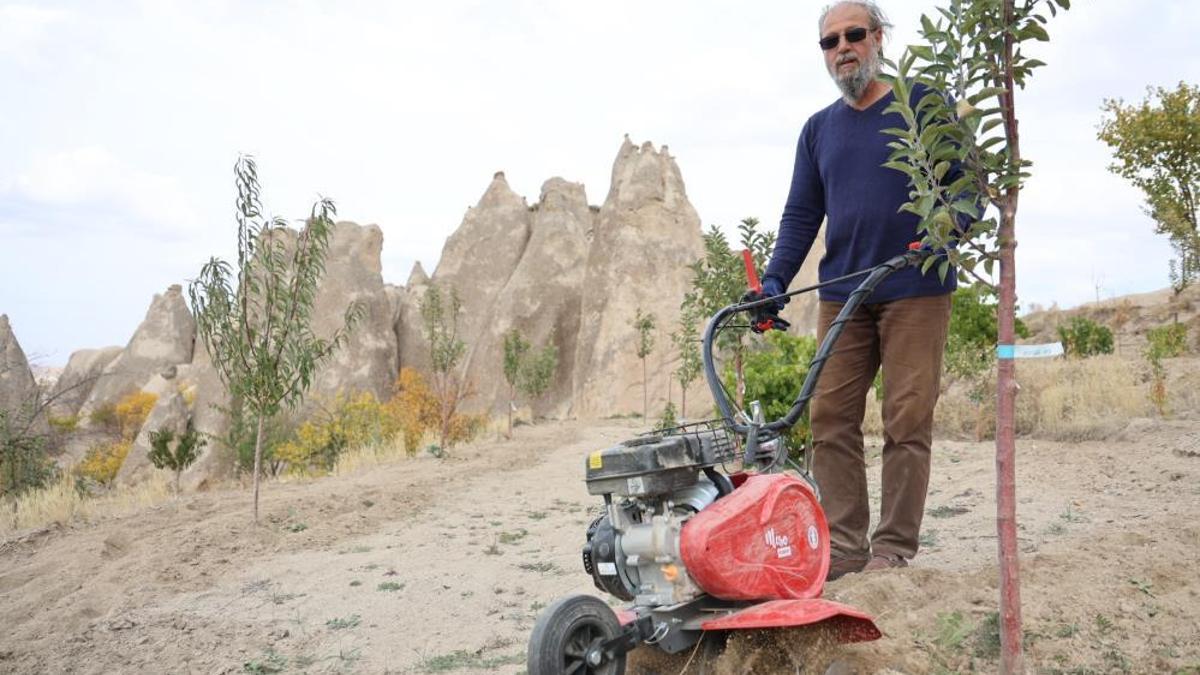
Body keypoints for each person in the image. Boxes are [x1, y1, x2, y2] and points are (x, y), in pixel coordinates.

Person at [755, 0, 954, 580]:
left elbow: (964, 187)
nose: (842, 47)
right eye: (829, 41)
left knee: (906, 418)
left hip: (915, 286)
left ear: (879, 38)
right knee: (830, 416)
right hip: (843, 293)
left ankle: (893, 548)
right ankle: (845, 549)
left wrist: (943, 232)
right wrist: (774, 281)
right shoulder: (818, 130)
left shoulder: (923, 106)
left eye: (854, 34)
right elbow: (800, 214)